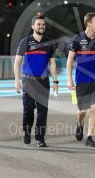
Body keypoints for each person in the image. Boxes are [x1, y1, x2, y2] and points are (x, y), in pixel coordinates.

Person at [14, 13, 58, 147]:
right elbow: (17, 63)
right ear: (33, 26)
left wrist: (55, 81)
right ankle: (26, 132)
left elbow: (52, 63)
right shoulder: (25, 42)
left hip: (44, 81)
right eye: (38, 24)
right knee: (28, 109)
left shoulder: (49, 43)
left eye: (43, 24)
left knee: (42, 111)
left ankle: (40, 138)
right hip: (28, 81)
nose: (41, 26)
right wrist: (17, 80)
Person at [67, 12, 95, 147]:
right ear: (89, 24)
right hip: (81, 80)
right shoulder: (77, 38)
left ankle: (90, 137)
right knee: (82, 111)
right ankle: (80, 123)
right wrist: (69, 80)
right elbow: (69, 61)